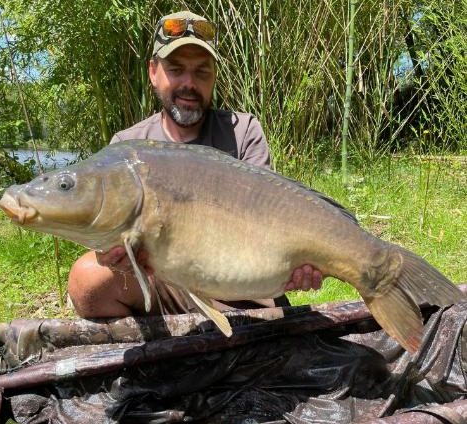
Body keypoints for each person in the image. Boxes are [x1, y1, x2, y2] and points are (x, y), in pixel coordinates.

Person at [68, 10, 323, 318]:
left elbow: (272, 223)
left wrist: (297, 265)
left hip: (243, 284)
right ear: (153, 71)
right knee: (86, 279)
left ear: (214, 76)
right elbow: (107, 237)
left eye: (202, 72)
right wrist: (112, 256)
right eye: (176, 69)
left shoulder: (242, 132)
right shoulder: (127, 147)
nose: (189, 84)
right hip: (166, 282)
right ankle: (167, 348)